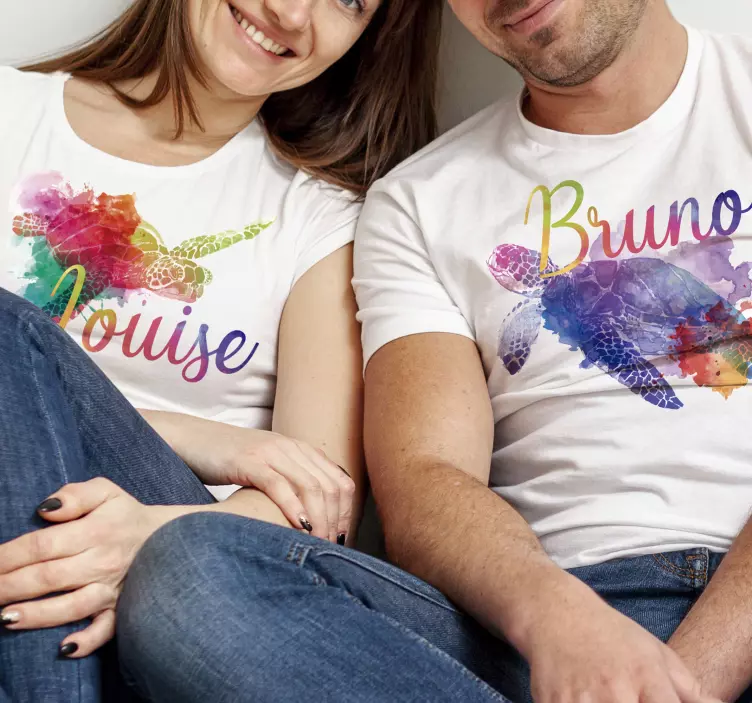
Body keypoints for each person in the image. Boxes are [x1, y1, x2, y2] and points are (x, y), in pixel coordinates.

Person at [117, 0, 752, 702]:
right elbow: (425, 479)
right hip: (536, 630)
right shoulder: (417, 203)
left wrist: (680, 686)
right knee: (191, 570)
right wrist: (555, 618)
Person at [0, 0, 442, 700]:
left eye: (350, 0)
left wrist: (141, 537)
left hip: (165, 591)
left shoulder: (320, 216)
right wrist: (207, 439)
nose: (290, 12)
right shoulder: (10, 111)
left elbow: (316, 513)